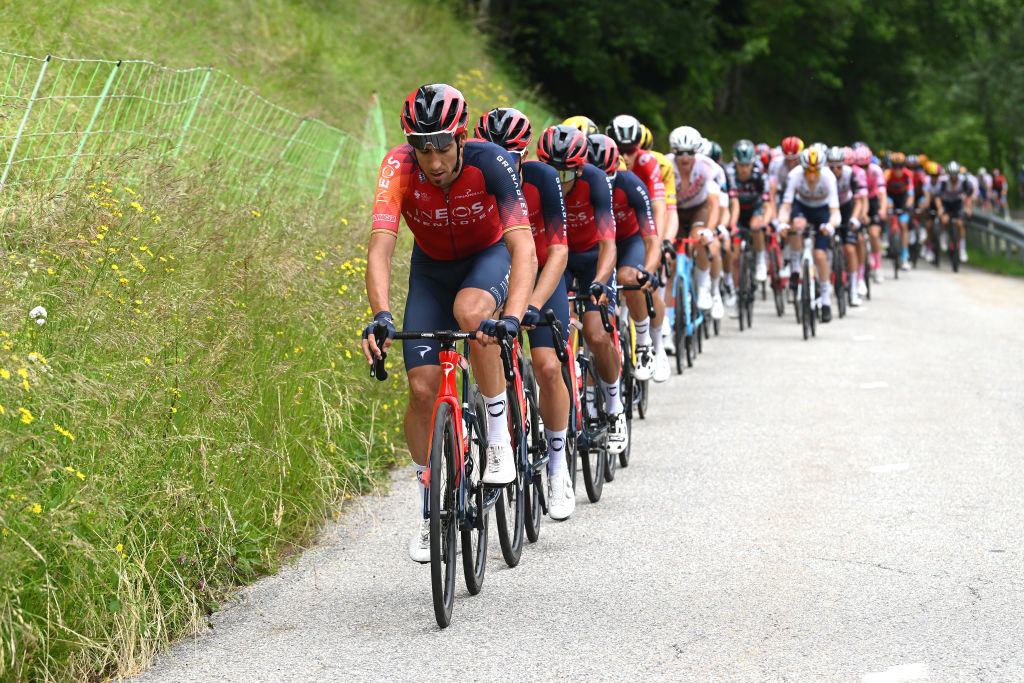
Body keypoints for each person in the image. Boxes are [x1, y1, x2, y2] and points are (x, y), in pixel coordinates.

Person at [362, 84, 537, 562]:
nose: (433, 160)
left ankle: (498, 436)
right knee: (420, 390)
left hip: (488, 256)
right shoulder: (397, 166)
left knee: (473, 314)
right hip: (431, 270)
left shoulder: (492, 161)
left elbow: (524, 247)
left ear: (461, 138)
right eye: (422, 147)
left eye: (441, 146)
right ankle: (428, 508)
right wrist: (380, 315)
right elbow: (381, 248)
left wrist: (515, 317)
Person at [475, 107, 575, 520]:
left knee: (548, 367)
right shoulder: (473, 178)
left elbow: (558, 252)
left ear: (523, 154)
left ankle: (557, 465)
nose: (503, 162)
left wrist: (532, 304)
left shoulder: (543, 179)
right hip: (501, 272)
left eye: (511, 155)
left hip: (541, 279)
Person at [538, 124, 628, 455]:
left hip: (592, 260)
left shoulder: (595, 181)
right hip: (556, 261)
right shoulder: (539, 182)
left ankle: (615, 407)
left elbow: (609, 244)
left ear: (579, 167)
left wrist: (601, 281)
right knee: (553, 338)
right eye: (552, 172)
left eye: (565, 174)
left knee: (596, 333)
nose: (558, 182)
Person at [588, 133, 668, 382]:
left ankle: (649, 344)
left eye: (608, 177)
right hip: (598, 245)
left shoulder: (630, 183)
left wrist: (649, 270)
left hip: (629, 240)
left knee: (631, 278)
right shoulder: (577, 187)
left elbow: (651, 238)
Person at [665, 125, 725, 320]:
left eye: (690, 153)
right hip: (673, 209)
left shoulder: (707, 167)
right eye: (679, 153)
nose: (684, 158)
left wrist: (709, 230)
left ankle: (702, 287)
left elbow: (714, 204)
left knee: (699, 237)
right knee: (670, 259)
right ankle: (667, 318)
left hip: (699, 208)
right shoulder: (665, 166)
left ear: (696, 152)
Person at [777, 146, 841, 322]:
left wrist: (830, 225)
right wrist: (782, 222)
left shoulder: (828, 177)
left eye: (815, 171)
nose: (811, 175)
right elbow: (786, 205)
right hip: (802, 206)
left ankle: (826, 300)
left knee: (820, 256)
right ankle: (796, 268)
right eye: (808, 171)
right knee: (797, 225)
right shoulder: (795, 175)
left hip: (822, 210)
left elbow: (835, 211)